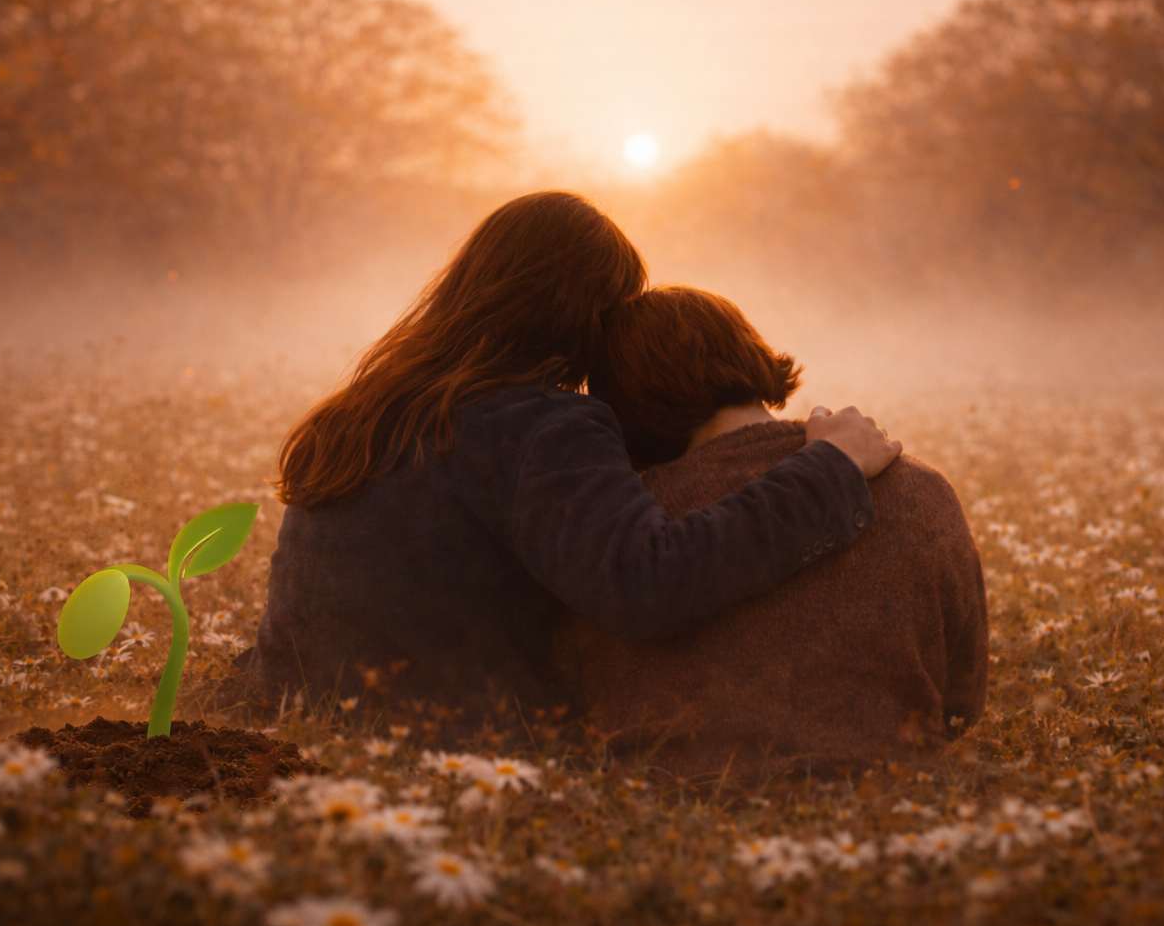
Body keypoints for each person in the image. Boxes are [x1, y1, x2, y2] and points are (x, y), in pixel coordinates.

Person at [243, 192, 903, 722]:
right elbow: (649, 586)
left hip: (290, 716)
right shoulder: (542, 427)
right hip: (443, 745)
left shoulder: (361, 409)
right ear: (578, 315)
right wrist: (830, 469)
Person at [559, 285, 988, 775]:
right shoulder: (922, 491)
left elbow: (576, 697)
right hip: (895, 809)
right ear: (747, 350)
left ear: (621, 408)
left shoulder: (626, 533)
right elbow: (962, 705)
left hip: (672, 822)